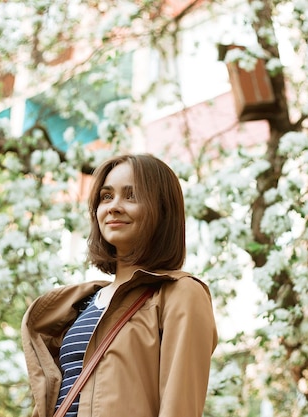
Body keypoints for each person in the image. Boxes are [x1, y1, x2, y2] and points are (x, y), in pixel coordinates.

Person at [21, 153, 218, 417]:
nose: (113, 206)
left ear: (162, 209)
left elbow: (180, 407)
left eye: (131, 196)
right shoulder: (83, 304)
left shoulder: (180, 293)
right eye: (106, 196)